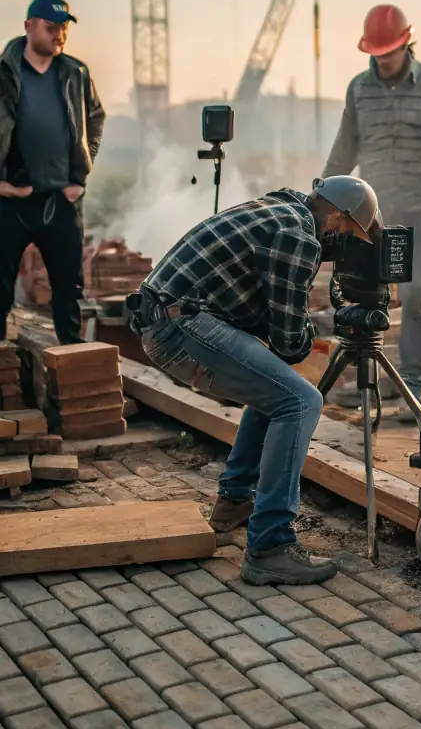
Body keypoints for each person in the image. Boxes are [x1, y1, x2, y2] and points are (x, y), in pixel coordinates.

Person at [130, 175, 383, 586]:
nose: (342, 241)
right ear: (335, 216)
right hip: (181, 326)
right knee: (301, 401)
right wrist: (319, 321)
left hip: (165, 317)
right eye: (345, 232)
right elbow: (289, 343)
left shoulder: (278, 210)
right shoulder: (298, 237)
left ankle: (234, 503)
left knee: (276, 391)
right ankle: (270, 546)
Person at [323, 4, 421, 418]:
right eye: (375, 54)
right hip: (374, 212)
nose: (382, 61)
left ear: (407, 43)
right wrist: (319, 202)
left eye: (388, 53)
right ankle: (366, 379)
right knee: (360, 290)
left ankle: (414, 383)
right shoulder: (359, 90)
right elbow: (344, 150)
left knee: (416, 291)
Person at [0, 0, 105, 345]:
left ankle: (72, 369)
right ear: (29, 26)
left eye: (64, 28)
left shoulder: (76, 72)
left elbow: (95, 118)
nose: (59, 35)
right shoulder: (4, 73)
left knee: (69, 291)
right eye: (51, 27)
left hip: (62, 200)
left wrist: (80, 174)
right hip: (12, 200)